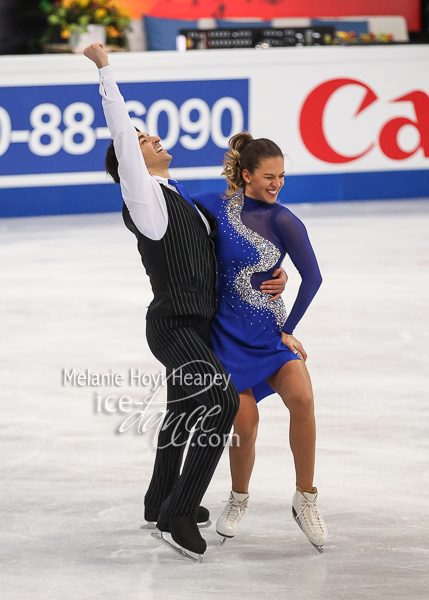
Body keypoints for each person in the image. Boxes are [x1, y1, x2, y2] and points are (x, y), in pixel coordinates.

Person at [83, 44, 286, 560]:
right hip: (173, 325)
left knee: (180, 413)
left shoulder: (181, 199)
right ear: (132, 160)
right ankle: (179, 511)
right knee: (218, 402)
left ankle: (159, 498)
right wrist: (105, 70)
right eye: (143, 140)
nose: (153, 140)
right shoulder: (145, 199)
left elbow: (224, 260)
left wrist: (272, 275)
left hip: (201, 327)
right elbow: (123, 137)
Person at [193, 133, 328, 552]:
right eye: (269, 177)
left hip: (270, 333)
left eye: (282, 177)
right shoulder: (217, 206)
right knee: (244, 424)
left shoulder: (284, 220)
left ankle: (305, 498)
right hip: (227, 336)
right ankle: (237, 497)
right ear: (247, 175)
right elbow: (170, 195)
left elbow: (314, 278)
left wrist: (288, 328)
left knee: (303, 401)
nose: (277, 184)